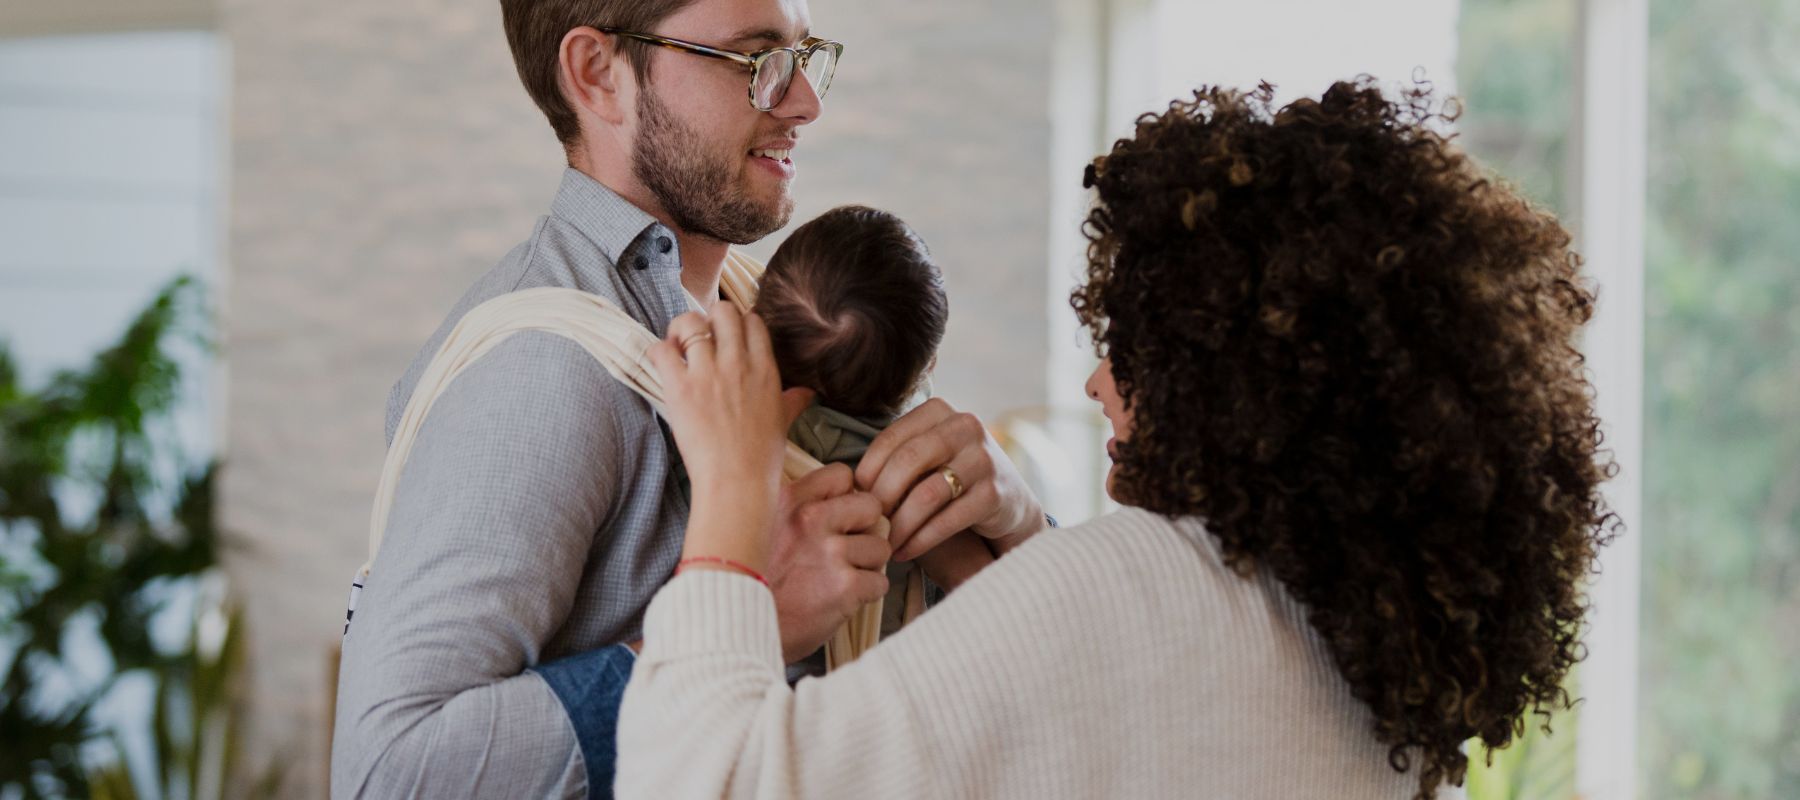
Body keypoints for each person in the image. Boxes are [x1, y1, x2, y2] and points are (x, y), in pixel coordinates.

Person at [616, 79, 1617, 799]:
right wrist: (1021, 527)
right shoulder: (1374, 657)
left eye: (1129, 347)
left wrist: (732, 487)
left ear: (1230, 380)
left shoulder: (1124, 584)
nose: (1097, 381)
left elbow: (707, 777)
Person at [329, 1, 1047, 796]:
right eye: (756, 59)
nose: (806, 100)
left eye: (805, 55)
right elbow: (394, 773)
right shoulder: (547, 370)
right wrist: (748, 620)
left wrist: (1019, 522)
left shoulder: (760, 315)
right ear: (599, 74)